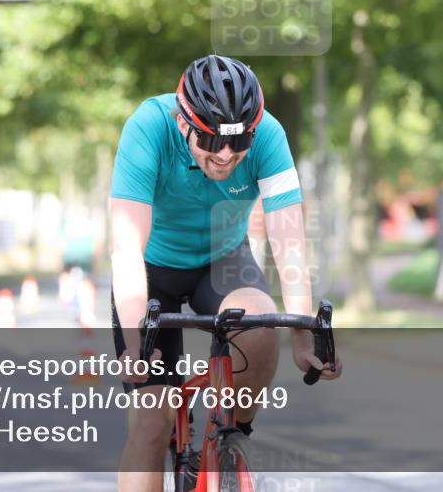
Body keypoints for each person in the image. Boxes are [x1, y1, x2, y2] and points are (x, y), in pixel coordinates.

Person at [110, 55, 342, 492]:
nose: (225, 155)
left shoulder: (269, 135)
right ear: (184, 124)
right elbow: (126, 248)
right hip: (151, 270)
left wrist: (302, 336)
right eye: (211, 140)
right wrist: (135, 344)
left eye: (239, 143)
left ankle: (231, 438)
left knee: (259, 325)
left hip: (223, 259)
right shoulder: (148, 128)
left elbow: (289, 240)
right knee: (151, 428)